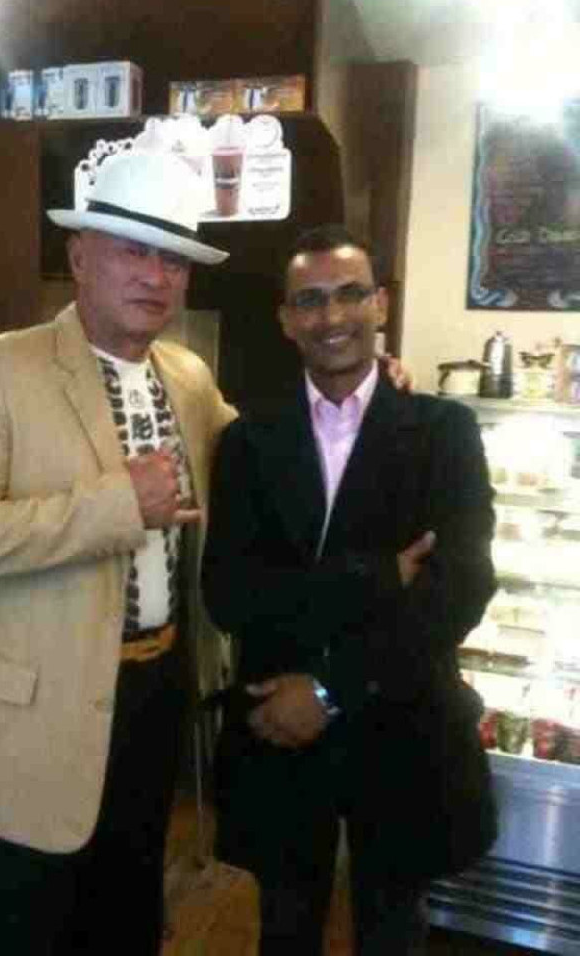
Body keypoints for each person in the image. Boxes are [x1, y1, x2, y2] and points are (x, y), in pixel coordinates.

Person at [0, 149, 236, 955]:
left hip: (156, 697)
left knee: (122, 923)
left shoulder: (189, 377)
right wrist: (116, 506)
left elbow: (264, 458)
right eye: (134, 250)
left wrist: (353, 394)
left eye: (174, 260)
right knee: (16, 931)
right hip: (32, 720)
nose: (155, 276)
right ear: (81, 255)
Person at [201, 224, 498, 956]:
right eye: (309, 300)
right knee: (284, 928)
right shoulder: (247, 440)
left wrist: (329, 688)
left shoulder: (444, 432)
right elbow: (229, 595)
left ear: (380, 305)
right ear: (285, 319)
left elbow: (457, 593)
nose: (331, 316)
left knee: (392, 929)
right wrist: (375, 575)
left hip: (400, 729)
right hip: (277, 732)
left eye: (349, 294)